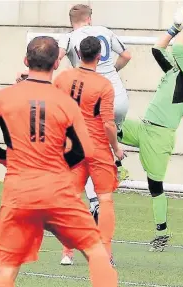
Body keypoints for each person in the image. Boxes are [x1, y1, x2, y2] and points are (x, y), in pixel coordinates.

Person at [0, 36, 117, 287]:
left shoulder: (5, 97)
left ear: (26, 62)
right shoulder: (65, 103)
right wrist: (61, 165)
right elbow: (85, 150)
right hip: (57, 191)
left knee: (6, 271)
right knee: (96, 251)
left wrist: (7, 158)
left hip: (18, 193)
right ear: (57, 63)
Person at [117, 8, 183, 252]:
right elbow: (157, 49)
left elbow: (176, 49)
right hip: (143, 128)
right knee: (104, 125)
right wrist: (175, 28)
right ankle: (118, 169)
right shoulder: (174, 70)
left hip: (160, 137)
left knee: (155, 186)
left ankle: (162, 233)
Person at [54, 36, 124, 266]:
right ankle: (104, 253)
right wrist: (117, 149)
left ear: (77, 52)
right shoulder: (104, 85)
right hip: (98, 148)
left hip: (72, 148)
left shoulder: (63, 78)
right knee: (105, 200)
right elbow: (108, 123)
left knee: (72, 199)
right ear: (100, 55)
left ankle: (67, 253)